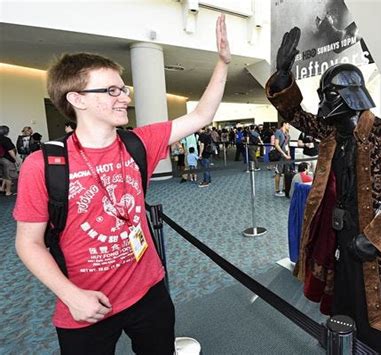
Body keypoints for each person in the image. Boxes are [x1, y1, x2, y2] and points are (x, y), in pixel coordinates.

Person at [14, 14, 230, 355]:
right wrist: (71, 295)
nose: (124, 97)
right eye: (111, 90)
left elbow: (201, 115)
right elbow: (28, 243)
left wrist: (222, 63)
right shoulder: (43, 165)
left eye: (123, 88)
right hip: (87, 306)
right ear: (77, 99)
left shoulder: (137, 143)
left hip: (150, 291)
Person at [266, 27, 381, 353]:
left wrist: (377, 239)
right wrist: (281, 78)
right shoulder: (331, 131)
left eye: (327, 96)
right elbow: (295, 115)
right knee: (342, 299)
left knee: (372, 309)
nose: (322, 103)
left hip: (370, 239)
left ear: (350, 96)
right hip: (338, 233)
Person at [273, 121, 291, 197]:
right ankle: (277, 190)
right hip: (280, 155)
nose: (289, 126)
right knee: (278, 172)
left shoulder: (287, 134)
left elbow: (287, 145)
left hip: (286, 156)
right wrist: (284, 154)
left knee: (286, 172)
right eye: (288, 124)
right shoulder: (278, 132)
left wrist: (288, 154)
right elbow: (276, 145)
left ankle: (284, 188)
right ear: (284, 124)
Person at [0, 125, 19, 196]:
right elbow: (10, 151)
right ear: (6, 132)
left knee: (4, 174)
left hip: (0, 159)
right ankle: (8, 192)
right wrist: (16, 160)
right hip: (6, 160)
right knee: (9, 176)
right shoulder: (5, 139)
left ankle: (2, 188)